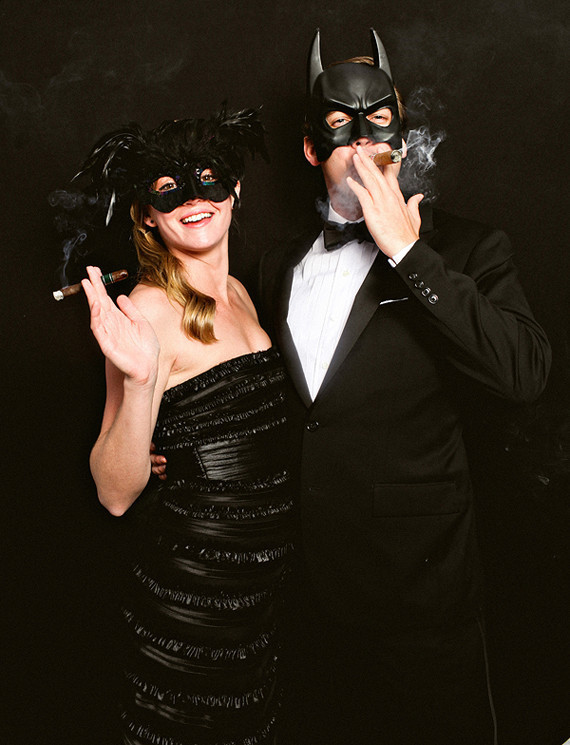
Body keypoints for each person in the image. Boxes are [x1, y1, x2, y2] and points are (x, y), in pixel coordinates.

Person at [150, 31, 552, 744]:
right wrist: (185, 449)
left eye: (379, 118)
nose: (362, 137)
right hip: (300, 600)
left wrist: (407, 251)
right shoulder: (275, 267)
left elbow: (522, 373)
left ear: (402, 134)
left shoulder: (466, 249)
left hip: (419, 601)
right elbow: (263, 394)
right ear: (312, 148)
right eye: (339, 122)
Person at [77, 109, 293, 745]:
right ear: (148, 214)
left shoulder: (241, 294)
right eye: (170, 188)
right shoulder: (147, 308)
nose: (194, 199)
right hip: (194, 594)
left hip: (257, 600)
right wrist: (140, 381)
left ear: (235, 189)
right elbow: (115, 493)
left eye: (208, 178)